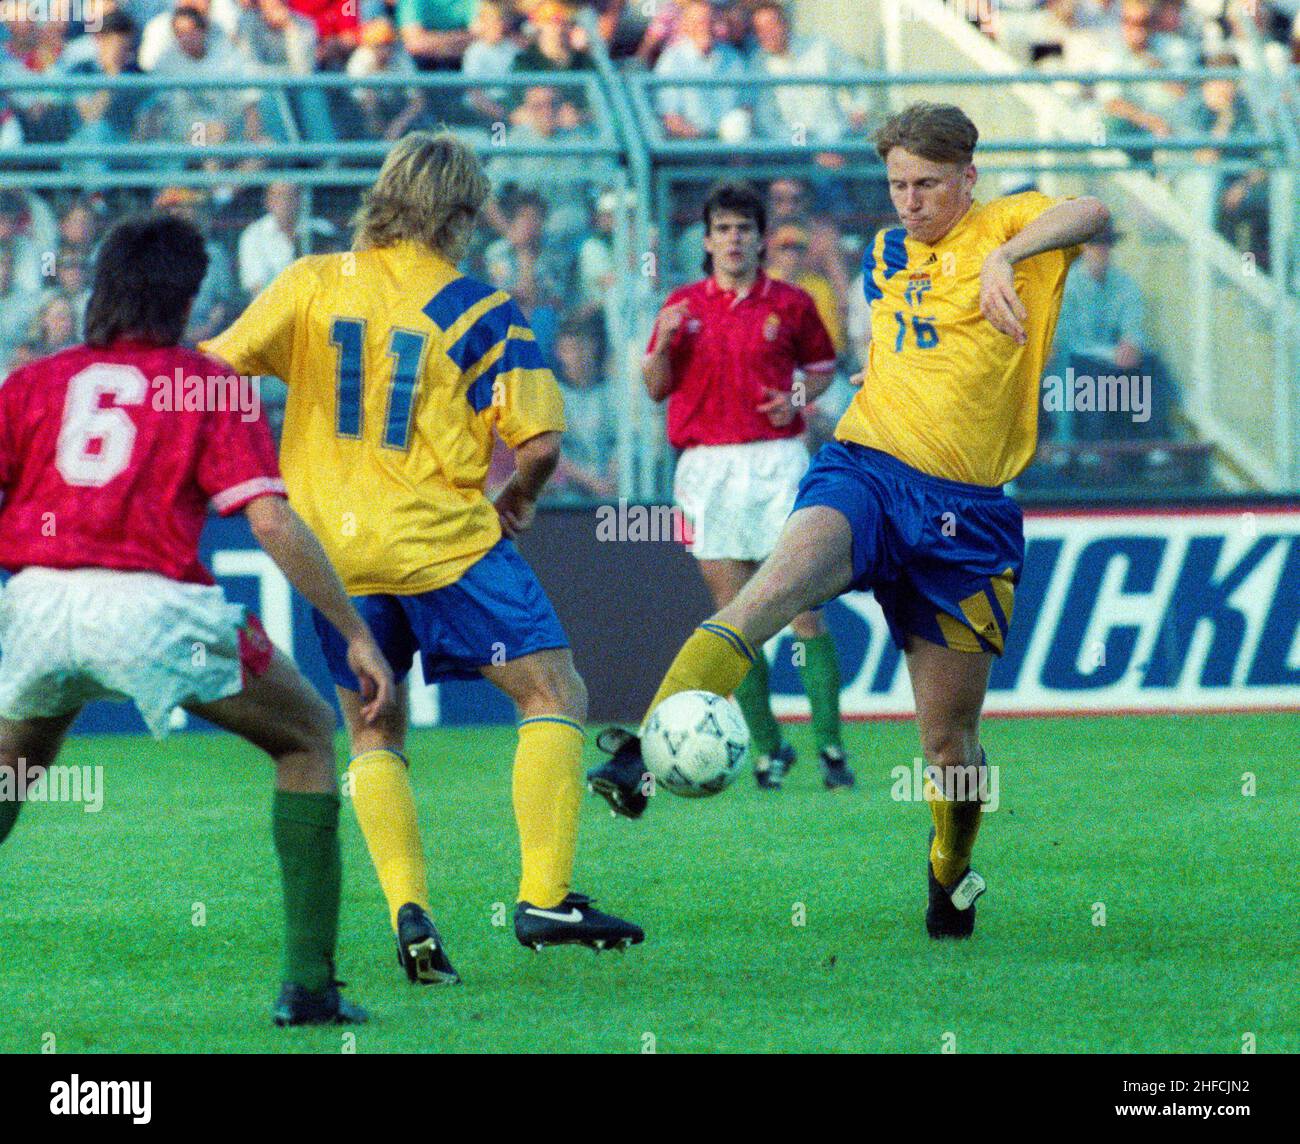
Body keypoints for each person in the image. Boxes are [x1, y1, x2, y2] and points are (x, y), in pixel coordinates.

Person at [589, 103, 1109, 940]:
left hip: (968, 516)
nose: (908, 201)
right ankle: (641, 756)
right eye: (897, 184)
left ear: (968, 178)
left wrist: (1008, 257)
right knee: (763, 598)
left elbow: (1094, 211)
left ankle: (951, 871)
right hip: (864, 469)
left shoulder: (1013, 226)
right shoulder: (888, 251)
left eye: (927, 184)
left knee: (950, 746)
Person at [202, 132, 643, 982]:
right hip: (443, 547)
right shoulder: (479, 307)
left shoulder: (311, 283)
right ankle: (546, 893)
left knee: (373, 728)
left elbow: (211, 371)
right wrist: (518, 498)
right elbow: (542, 441)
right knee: (553, 691)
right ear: (461, 216)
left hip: (332, 557)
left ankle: (412, 915)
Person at [0, 213, 396, 1026]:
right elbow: (274, 524)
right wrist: (356, 632)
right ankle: (309, 988)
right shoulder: (208, 384)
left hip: (36, 599)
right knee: (308, 736)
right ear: (186, 300)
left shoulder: (33, 381)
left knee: (13, 769)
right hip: (151, 605)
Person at [635, 181, 854, 791]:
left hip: (777, 462)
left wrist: (795, 400)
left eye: (743, 229)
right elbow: (655, 385)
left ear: (760, 239)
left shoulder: (790, 302)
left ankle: (832, 749)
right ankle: (768, 749)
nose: (734, 239)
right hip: (706, 467)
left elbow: (822, 366)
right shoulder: (680, 307)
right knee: (735, 618)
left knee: (805, 609)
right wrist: (666, 343)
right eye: (723, 229)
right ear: (706, 241)